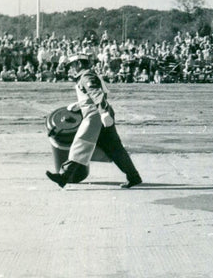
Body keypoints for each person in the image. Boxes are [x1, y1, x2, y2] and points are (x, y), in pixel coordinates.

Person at [46, 49, 142, 189]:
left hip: (95, 116)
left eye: (72, 65)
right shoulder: (88, 75)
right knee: (115, 149)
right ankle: (134, 176)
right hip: (100, 115)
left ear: (79, 63)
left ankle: (63, 176)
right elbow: (94, 96)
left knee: (80, 144)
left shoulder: (86, 76)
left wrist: (103, 113)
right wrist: (80, 105)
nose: (71, 68)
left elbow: (97, 95)